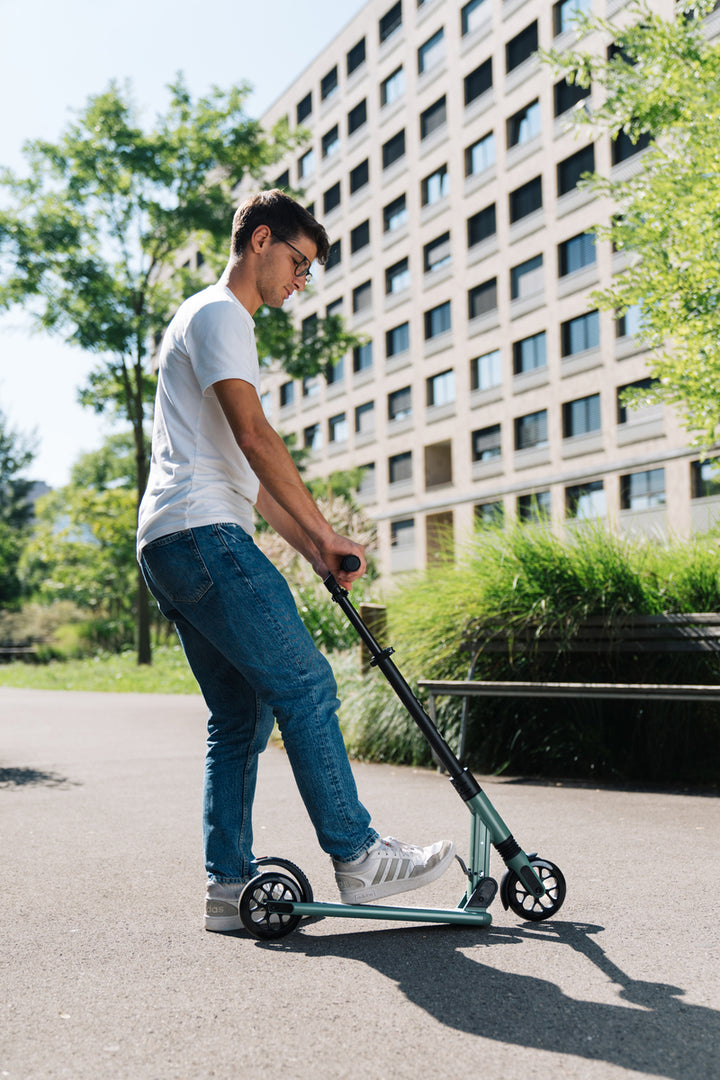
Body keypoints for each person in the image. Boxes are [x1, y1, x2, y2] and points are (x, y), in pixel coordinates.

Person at [137, 189, 455, 932]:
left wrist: (318, 545)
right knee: (307, 683)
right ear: (259, 240)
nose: (299, 282)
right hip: (203, 535)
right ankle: (359, 856)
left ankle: (227, 886)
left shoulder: (203, 320)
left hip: (171, 541)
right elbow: (255, 437)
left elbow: (249, 477)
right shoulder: (222, 314)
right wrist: (324, 530)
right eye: (297, 262)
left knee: (238, 717)